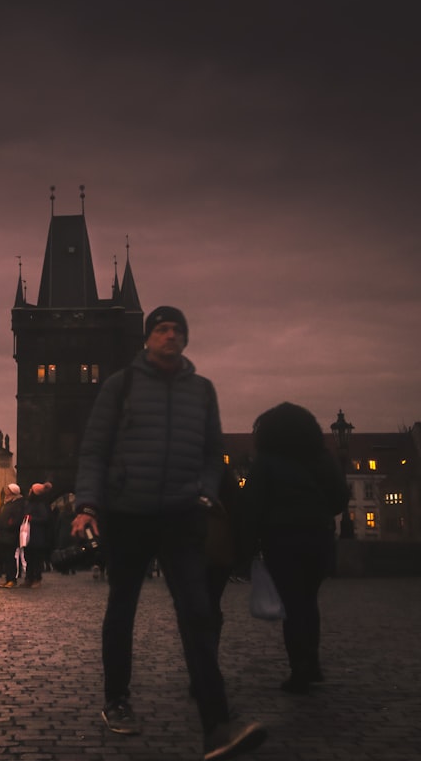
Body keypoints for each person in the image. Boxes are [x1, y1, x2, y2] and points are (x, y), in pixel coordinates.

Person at [71, 306, 266, 760]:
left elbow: (212, 451)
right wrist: (87, 504)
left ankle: (217, 725)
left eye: (178, 330)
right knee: (122, 607)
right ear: (147, 338)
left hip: (181, 514)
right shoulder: (121, 385)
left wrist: (203, 491)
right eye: (162, 329)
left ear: (186, 338)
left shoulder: (201, 390)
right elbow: (94, 450)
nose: (171, 336)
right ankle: (116, 700)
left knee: (198, 612)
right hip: (128, 513)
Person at [241, 402, 350, 694]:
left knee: (293, 602)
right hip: (318, 537)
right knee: (308, 599)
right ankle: (310, 661)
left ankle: (300, 668)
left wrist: (246, 546)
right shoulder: (322, 458)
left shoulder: (266, 460)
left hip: (282, 540)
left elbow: (251, 505)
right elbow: (340, 497)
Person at [21, 482, 61, 587]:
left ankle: (37, 579)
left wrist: (32, 519)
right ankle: (29, 578)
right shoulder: (29, 503)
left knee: (37, 559)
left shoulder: (41, 505)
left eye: (31, 490)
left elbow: (45, 519)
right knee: (28, 557)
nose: (29, 491)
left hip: (37, 535)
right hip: (28, 535)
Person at [0, 483, 25, 588]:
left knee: (10, 557)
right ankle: (8, 579)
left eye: (8, 490)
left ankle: (12, 579)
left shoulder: (17, 503)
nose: (6, 491)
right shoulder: (7, 503)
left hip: (11, 534)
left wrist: (9, 525)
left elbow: (16, 519)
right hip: (4, 533)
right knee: (5, 557)